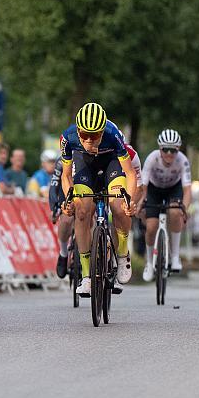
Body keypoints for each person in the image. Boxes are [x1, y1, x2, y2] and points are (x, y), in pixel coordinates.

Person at [60, 102, 138, 296]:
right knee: (82, 211)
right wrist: (69, 198)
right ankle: (86, 276)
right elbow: (66, 175)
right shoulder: (67, 137)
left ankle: (122, 254)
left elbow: (129, 173)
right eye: (84, 134)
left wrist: (130, 199)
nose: (88, 140)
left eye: (94, 136)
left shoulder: (113, 134)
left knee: (118, 206)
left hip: (112, 163)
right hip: (85, 166)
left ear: (102, 132)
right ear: (77, 130)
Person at [139, 129, 192, 281]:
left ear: (178, 150)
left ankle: (175, 256)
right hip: (153, 190)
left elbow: (187, 190)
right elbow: (143, 186)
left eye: (173, 150)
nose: (169, 153)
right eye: (165, 149)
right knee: (151, 227)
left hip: (173, 190)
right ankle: (149, 263)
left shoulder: (183, 160)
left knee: (175, 212)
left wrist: (185, 209)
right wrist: (141, 203)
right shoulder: (152, 158)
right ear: (159, 149)